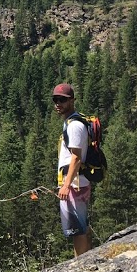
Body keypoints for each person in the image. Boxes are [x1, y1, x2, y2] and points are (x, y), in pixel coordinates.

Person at [51, 83, 92, 256]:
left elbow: (76, 157)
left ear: (72, 101)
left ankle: (80, 265)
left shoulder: (74, 125)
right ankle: (86, 259)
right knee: (82, 225)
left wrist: (66, 185)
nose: (58, 103)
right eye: (56, 99)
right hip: (77, 181)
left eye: (63, 100)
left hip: (75, 184)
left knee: (77, 229)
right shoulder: (73, 121)